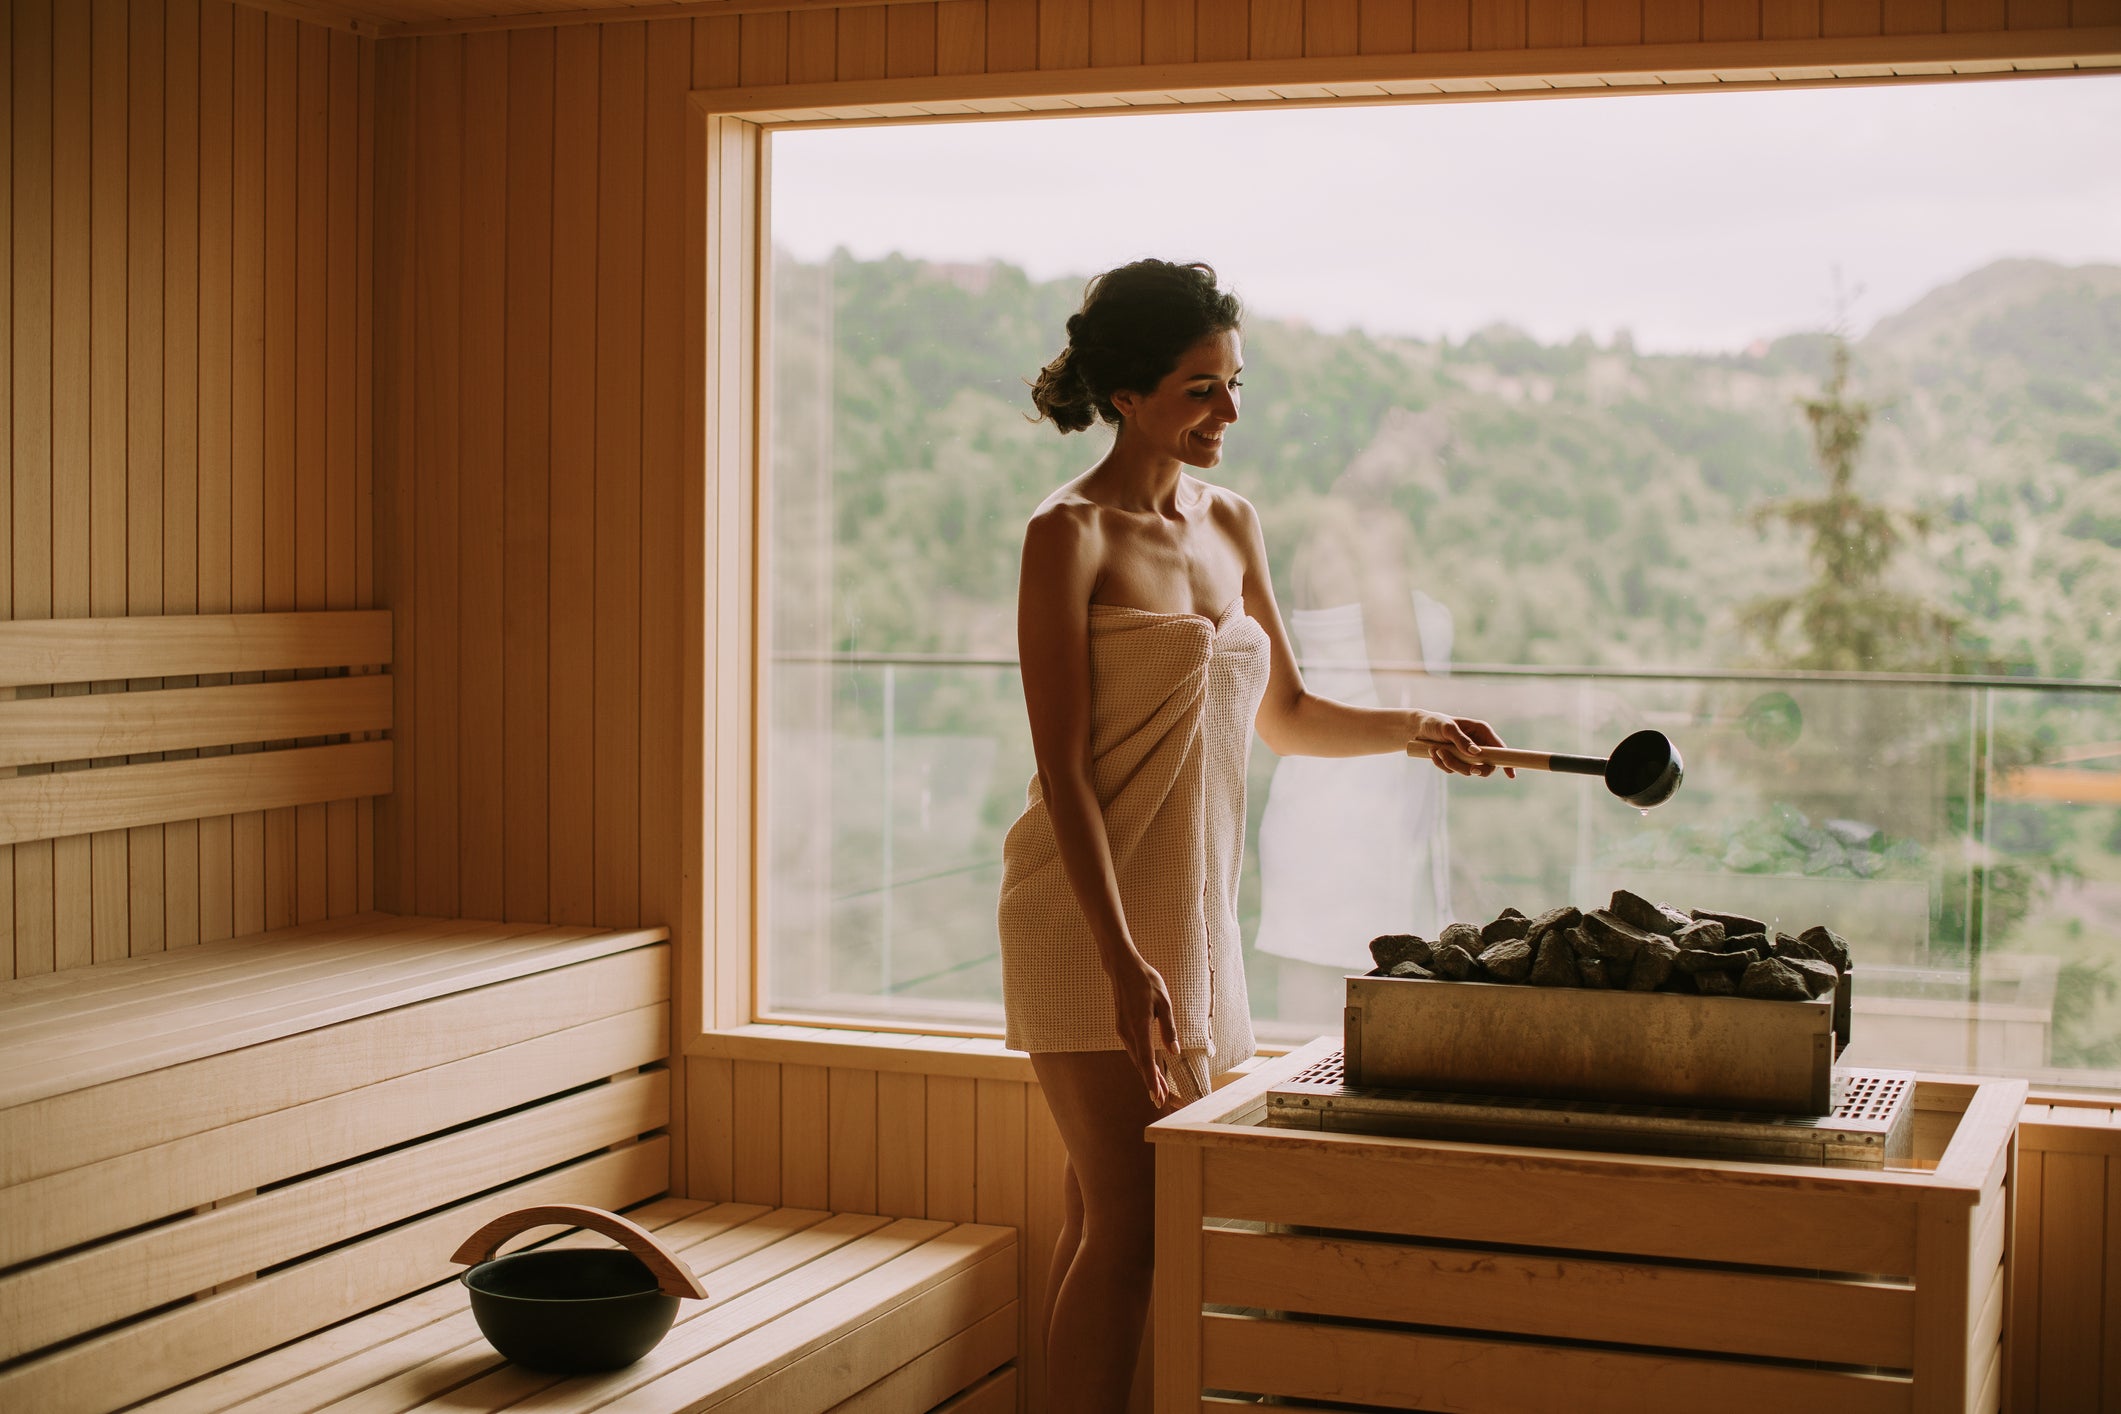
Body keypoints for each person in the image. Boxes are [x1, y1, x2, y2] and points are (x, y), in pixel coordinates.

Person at [995, 258, 1510, 1408]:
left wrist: (1417, 727)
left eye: (1234, 383)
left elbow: (1285, 713)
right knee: (1135, 1222)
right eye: (1199, 389)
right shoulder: (1065, 535)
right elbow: (1065, 772)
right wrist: (1125, 965)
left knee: (1105, 1214)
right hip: (1090, 919)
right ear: (1127, 395)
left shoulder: (1233, 521)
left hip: (1191, 914)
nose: (1229, 411)